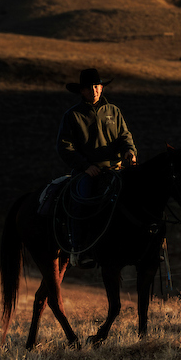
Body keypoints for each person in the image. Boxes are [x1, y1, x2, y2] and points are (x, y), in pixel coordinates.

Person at [56, 68, 137, 266]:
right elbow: (65, 147)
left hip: (115, 169)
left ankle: (138, 248)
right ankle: (80, 249)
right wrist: (85, 166)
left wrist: (129, 151)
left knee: (137, 198)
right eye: (89, 87)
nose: (94, 90)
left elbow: (124, 136)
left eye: (97, 86)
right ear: (82, 91)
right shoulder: (72, 116)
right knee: (81, 201)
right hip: (88, 172)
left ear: (101, 87)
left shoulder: (114, 111)